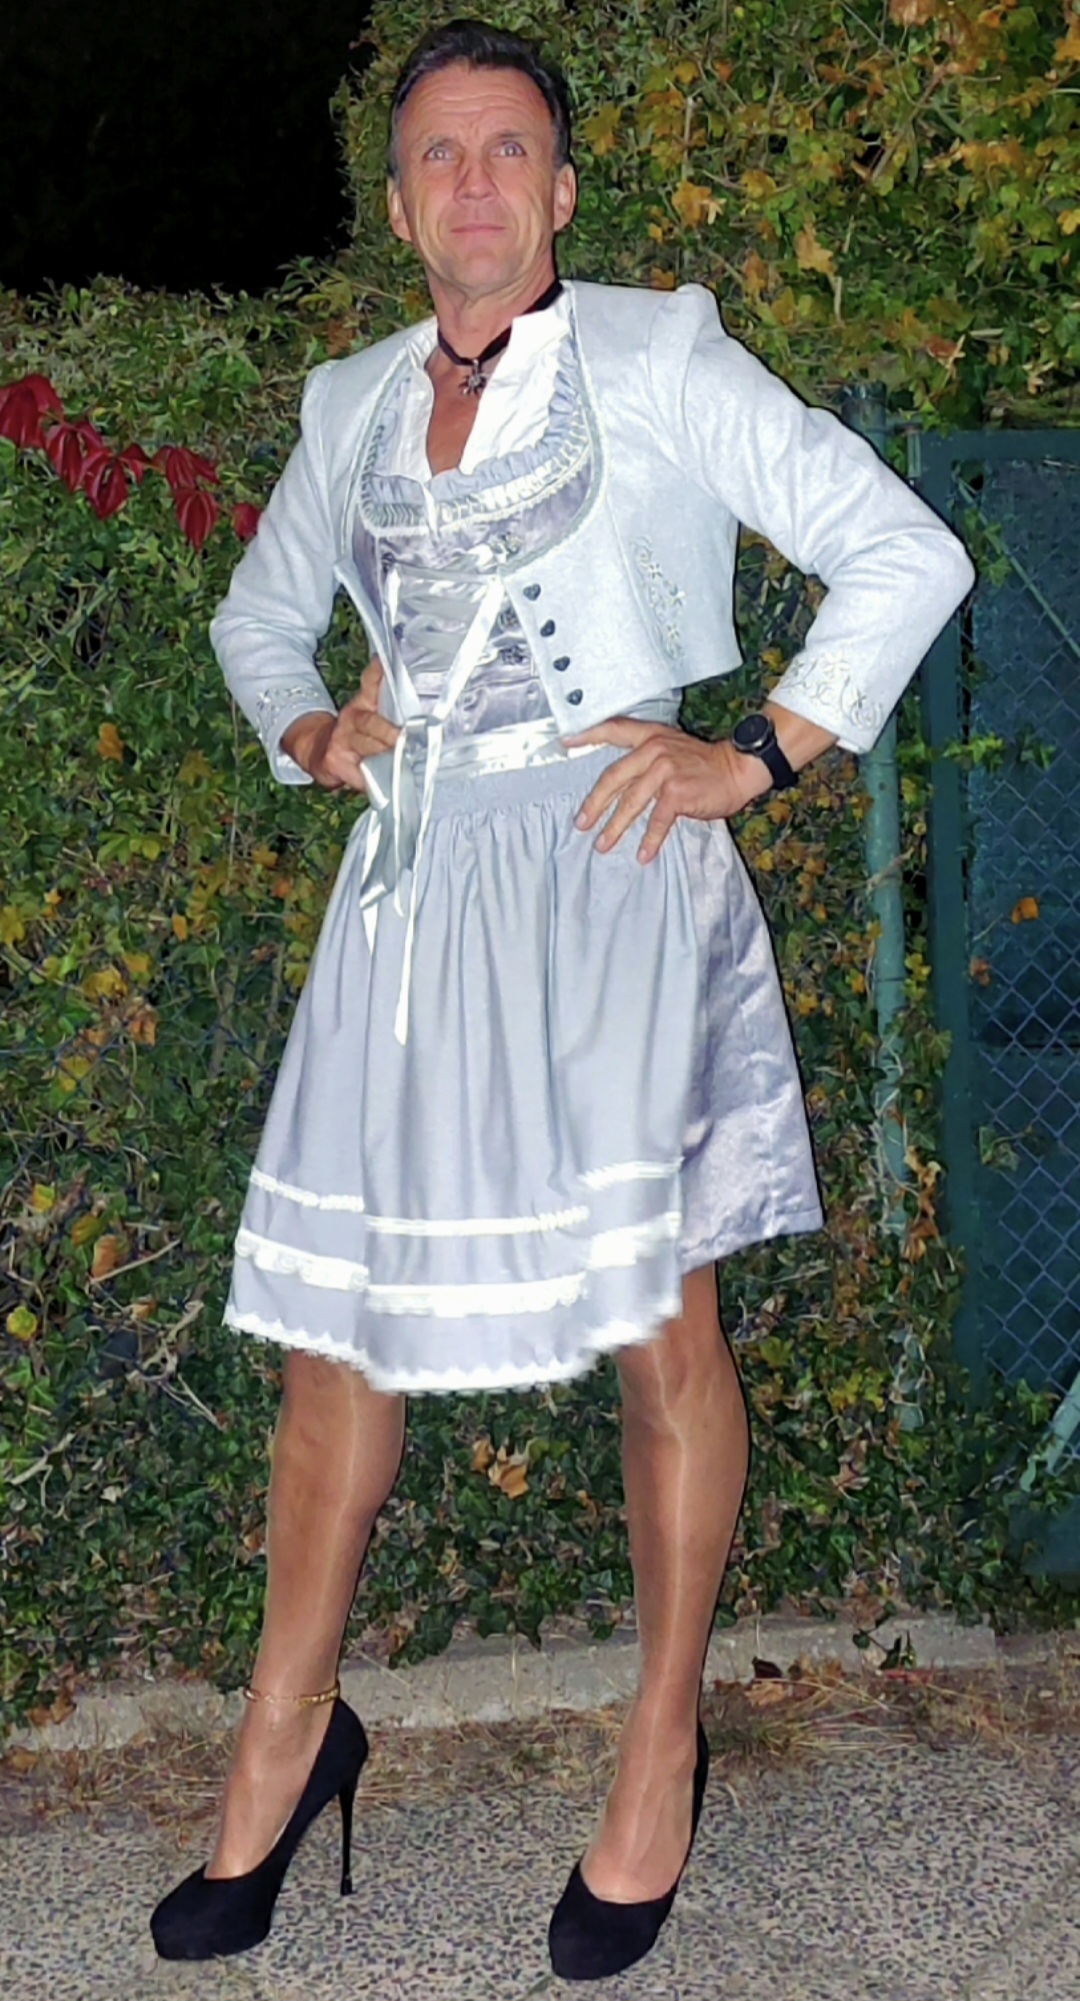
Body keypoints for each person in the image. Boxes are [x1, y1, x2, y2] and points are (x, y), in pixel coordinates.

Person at [150, 16, 974, 1981]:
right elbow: (259, 612)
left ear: (564, 187)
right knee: (337, 1335)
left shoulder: (660, 357)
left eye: (510, 148)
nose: (476, 183)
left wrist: (758, 750)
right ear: (399, 201)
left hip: (614, 884)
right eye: (439, 153)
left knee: (655, 1325)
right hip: (416, 902)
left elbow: (900, 548)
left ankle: (662, 1738)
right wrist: (310, 728)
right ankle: (287, 1731)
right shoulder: (350, 399)